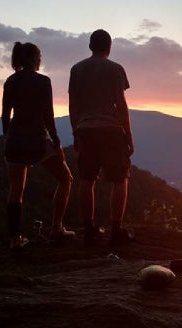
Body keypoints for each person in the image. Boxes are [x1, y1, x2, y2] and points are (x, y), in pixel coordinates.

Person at [2, 42, 74, 249]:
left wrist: (6, 137)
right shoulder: (43, 81)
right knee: (66, 179)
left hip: (15, 140)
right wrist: (57, 142)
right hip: (36, 140)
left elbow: (5, 115)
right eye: (40, 56)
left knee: (16, 190)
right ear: (35, 58)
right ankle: (57, 228)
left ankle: (15, 239)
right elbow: (48, 116)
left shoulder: (10, 81)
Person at [68, 29, 134, 246]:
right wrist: (128, 135)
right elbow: (121, 104)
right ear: (109, 47)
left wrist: (76, 131)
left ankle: (89, 229)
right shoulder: (115, 69)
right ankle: (116, 229)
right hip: (111, 130)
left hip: (86, 129)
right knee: (120, 178)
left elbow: (73, 105)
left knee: (87, 180)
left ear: (90, 46)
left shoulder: (76, 69)